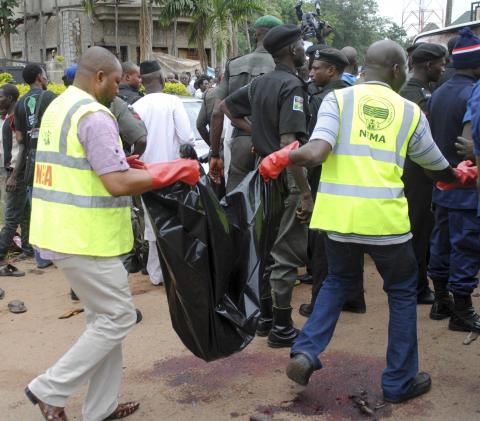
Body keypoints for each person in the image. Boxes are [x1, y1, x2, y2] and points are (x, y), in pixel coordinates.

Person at [258, 39, 457, 403]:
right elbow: (435, 163)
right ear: (397, 69)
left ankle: (306, 351)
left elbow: (317, 151)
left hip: (339, 218)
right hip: (386, 222)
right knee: (400, 292)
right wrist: (459, 176)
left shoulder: (339, 99)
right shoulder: (410, 110)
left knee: (336, 280)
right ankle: (399, 382)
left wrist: (284, 156)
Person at [25, 46, 200, 421]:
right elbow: (118, 184)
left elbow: (88, 164)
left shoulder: (61, 105)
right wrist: (174, 171)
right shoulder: (94, 115)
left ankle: (100, 408)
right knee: (118, 317)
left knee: (102, 320)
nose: (120, 89)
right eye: (118, 81)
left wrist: (123, 162)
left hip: (62, 230)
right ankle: (49, 389)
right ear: (100, 77)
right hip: (86, 238)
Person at [220, 24, 311, 348]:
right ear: (292, 51)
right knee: (286, 251)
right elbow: (290, 145)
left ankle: (267, 318)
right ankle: (282, 327)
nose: (305, 50)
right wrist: (305, 191)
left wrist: (257, 128)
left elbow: (226, 108)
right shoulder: (292, 87)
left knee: (266, 244)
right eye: (301, 45)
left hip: (263, 173)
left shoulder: (261, 84)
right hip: (287, 173)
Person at [300, 47, 366, 317]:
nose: (312, 72)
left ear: (333, 70)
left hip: (326, 174)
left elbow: (315, 143)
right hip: (353, 174)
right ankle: (353, 298)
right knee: (351, 237)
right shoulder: (356, 97)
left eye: (317, 68)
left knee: (322, 239)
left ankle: (319, 302)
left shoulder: (325, 99)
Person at [427, 28, 480, 331]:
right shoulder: (473, 93)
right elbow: (468, 146)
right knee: (466, 246)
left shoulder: (440, 92)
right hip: (465, 185)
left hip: (441, 182)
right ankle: (462, 311)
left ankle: (441, 302)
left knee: (441, 243)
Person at [133, 60, 195, 286]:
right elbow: (187, 137)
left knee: (151, 222)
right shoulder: (172, 102)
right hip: (171, 173)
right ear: (161, 79)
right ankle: (175, 271)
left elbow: (134, 142)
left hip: (145, 174)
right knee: (174, 220)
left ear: (142, 82)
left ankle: (156, 273)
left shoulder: (136, 106)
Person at [209, 15, 283, 192]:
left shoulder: (234, 65)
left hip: (241, 142)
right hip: (274, 144)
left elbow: (217, 113)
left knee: (236, 200)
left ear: (256, 35)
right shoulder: (282, 66)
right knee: (272, 200)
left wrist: (215, 154)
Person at [400, 43, 447, 307]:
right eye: (441, 63)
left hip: (414, 170)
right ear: (428, 65)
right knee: (417, 230)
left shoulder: (419, 90)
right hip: (415, 171)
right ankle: (416, 287)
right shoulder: (413, 94)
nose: (443, 67)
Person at [11, 63, 56, 269]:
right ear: (40, 77)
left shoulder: (20, 104)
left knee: (37, 212)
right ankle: (59, 255)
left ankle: (41, 258)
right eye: (45, 75)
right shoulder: (50, 98)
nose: (46, 78)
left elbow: (20, 140)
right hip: (51, 163)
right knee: (55, 209)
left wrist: (15, 174)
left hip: (31, 164)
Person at [0, 84, 33, 275]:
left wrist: (13, 176)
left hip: (17, 172)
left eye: (1, 97)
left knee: (11, 216)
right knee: (25, 212)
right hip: (14, 170)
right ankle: (28, 248)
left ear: (11, 99)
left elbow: (22, 149)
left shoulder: (15, 119)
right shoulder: (9, 117)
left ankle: (1, 251)